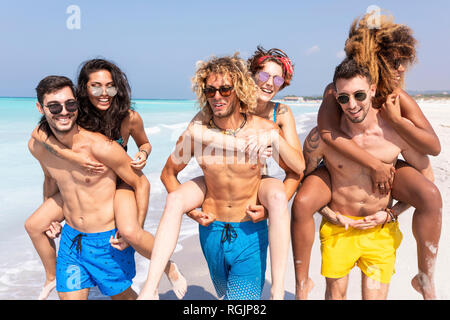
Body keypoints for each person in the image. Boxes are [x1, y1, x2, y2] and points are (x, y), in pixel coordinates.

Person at [291, 13, 442, 300]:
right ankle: (301, 283)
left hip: (384, 176)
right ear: (373, 60)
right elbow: (326, 133)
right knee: (304, 203)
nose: (400, 68)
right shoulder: (336, 92)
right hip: (344, 168)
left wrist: (397, 123)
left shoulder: (396, 97)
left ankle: (425, 277)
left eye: (402, 62)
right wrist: (374, 164)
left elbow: (433, 148)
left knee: (431, 197)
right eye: (394, 61)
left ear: (371, 89)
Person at [25, 59, 186, 300]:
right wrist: (53, 215)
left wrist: (143, 153)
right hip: (72, 240)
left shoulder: (123, 121)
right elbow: (48, 167)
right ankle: (51, 276)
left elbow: (142, 166)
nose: (103, 93)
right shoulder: (63, 128)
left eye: (109, 86)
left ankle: (167, 265)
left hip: (120, 187)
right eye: (95, 86)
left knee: (131, 232)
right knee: (34, 224)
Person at [138, 54, 295, 300]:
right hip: (211, 231)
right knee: (223, 294)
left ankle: (276, 292)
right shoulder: (197, 133)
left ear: (240, 89)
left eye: (224, 89)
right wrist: (191, 212)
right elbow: (168, 174)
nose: (217, 97)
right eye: (211, 91)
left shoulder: (265, 130)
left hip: (249, 232)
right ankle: (151, 287)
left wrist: (271, 209)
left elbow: (296, 170)